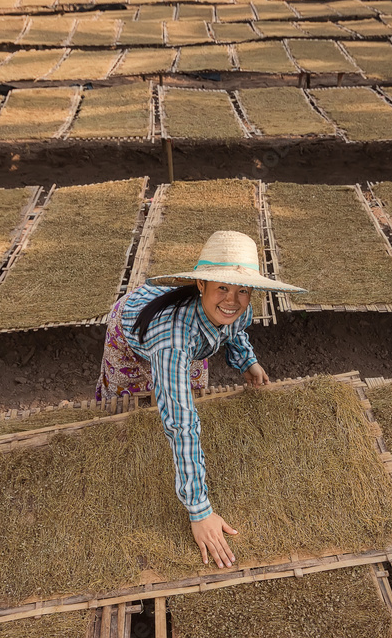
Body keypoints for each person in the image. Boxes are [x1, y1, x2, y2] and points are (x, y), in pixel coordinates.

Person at [95, 230, 305, 569]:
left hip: (188, 334)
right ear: (201, 285)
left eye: (242, 290)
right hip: (134, 332)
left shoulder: (236, 310)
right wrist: (200, 511)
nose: (233, 299)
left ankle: (172, 392)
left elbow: (235, 329)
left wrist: (247, 362)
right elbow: (181, 421)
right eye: (222, 287)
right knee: (132, 409)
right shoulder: (173, 341)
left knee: (186, 391)